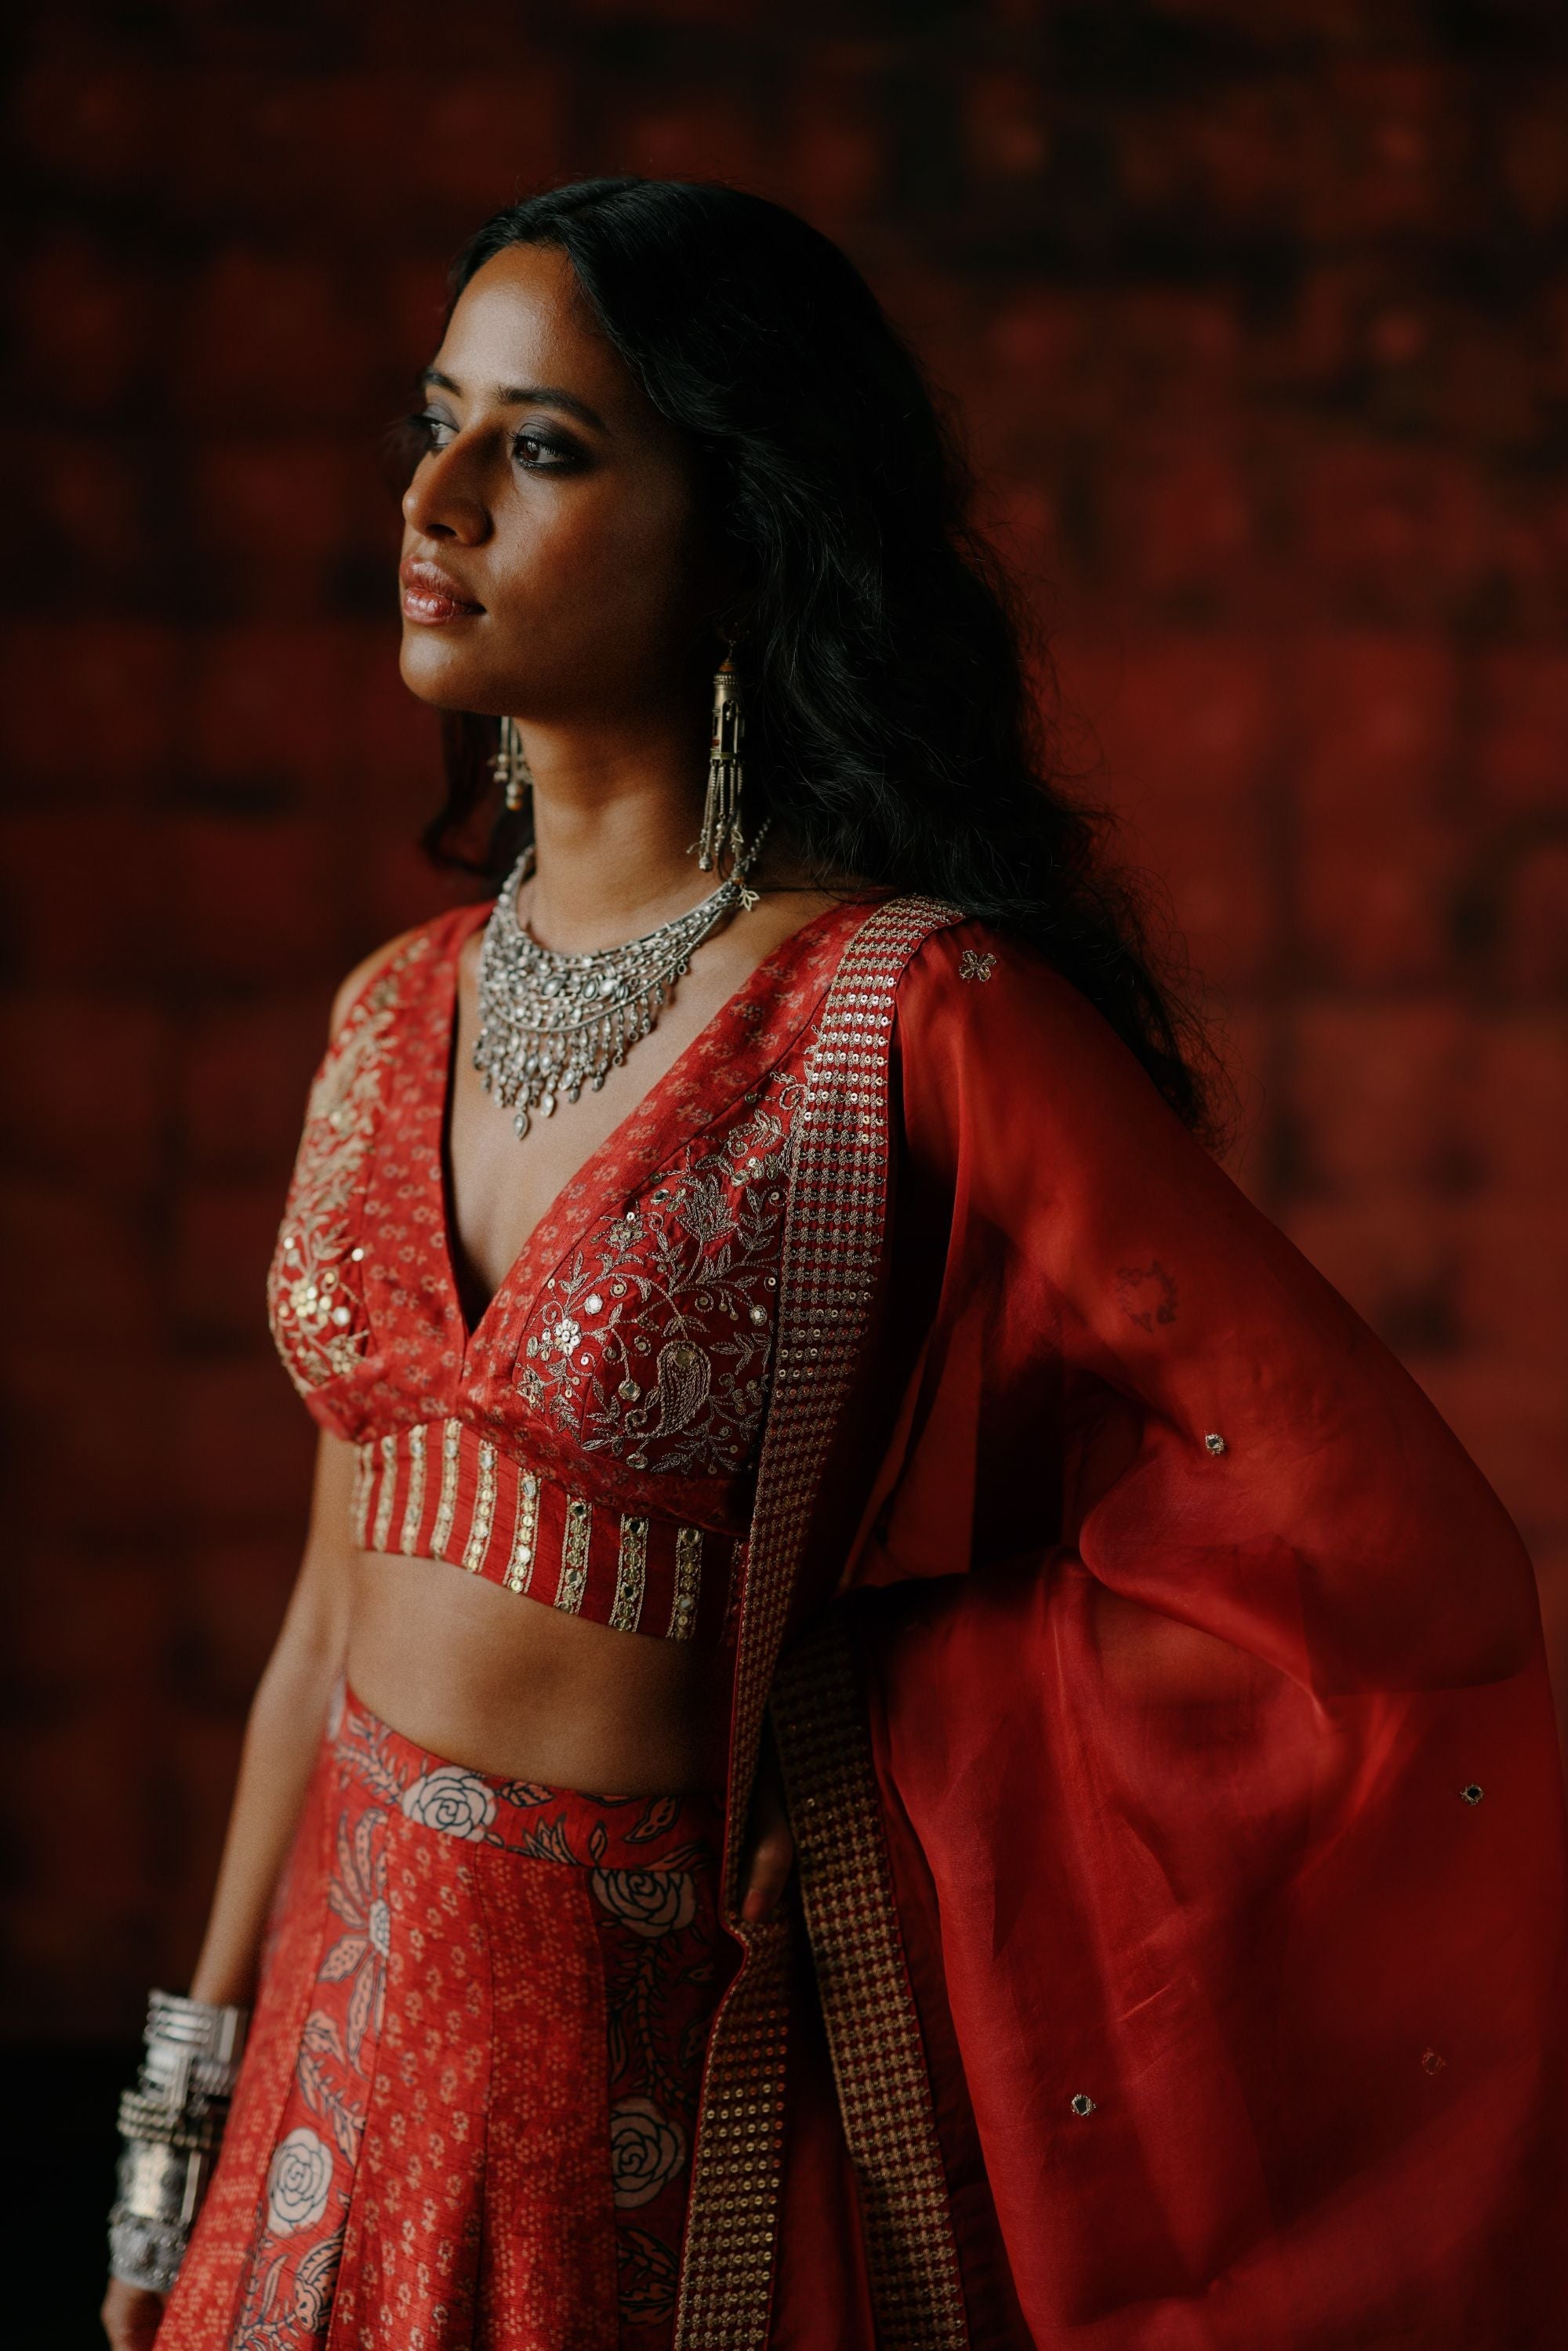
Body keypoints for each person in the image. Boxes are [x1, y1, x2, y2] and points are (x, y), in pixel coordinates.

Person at [103, 178, 1566, 2351]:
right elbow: (330, 1623)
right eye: (437, 420)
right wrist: (183, 2100)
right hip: (328, 2065)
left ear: (747, 528)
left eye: (545, 446)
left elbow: (1387, 1558)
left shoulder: (911, 1021)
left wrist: (923, 1740)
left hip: (656, 2107)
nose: (433, 499)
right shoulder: (388, 1007)